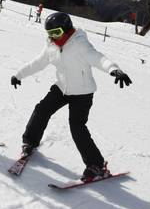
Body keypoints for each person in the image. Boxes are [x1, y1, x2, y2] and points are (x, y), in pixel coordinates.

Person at [10, 11, 132, 182]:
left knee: (77, 127)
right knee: (42, 110)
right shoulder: (51, 46)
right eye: (50, 33)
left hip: (82, 92)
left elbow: (98, 59)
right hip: (61, 87)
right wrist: (19, 75)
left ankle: (96, 165)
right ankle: (30, 142)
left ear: (66, 30)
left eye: (56, 33)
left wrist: (114, 69)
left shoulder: (80, 44)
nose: (53, 37)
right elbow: (38, 63)